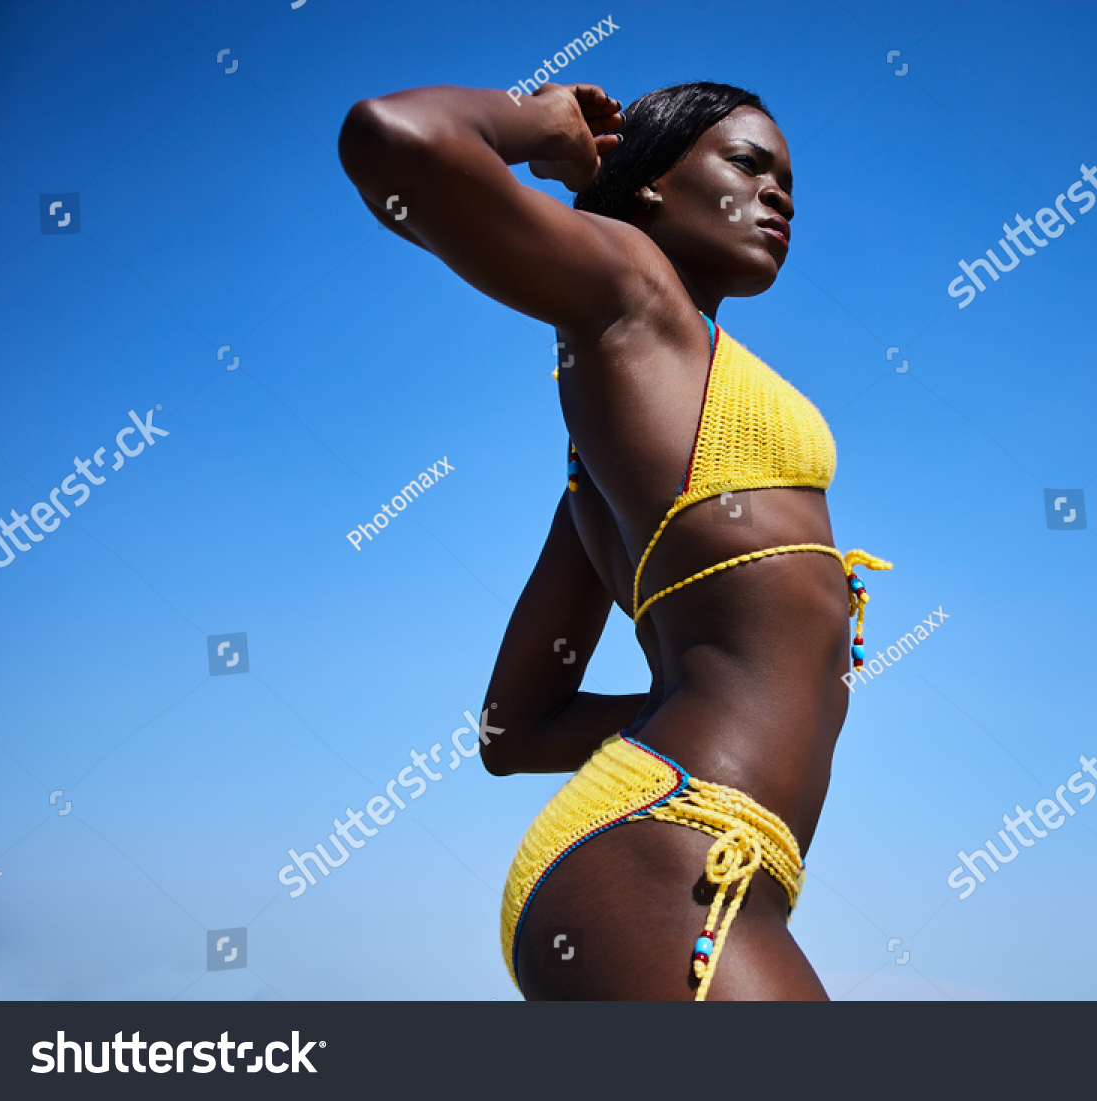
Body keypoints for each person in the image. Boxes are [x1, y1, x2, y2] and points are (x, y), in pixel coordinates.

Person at [339, 79, 887, 1000]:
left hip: (674, 847)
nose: (780, 194)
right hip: (668, 857)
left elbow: (515, 728)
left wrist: (715, 684)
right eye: (749, 164)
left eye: (789, 179)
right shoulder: (632, 282)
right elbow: (396, 138)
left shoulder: (603, 462)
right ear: (651, 187)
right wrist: (542, 125)